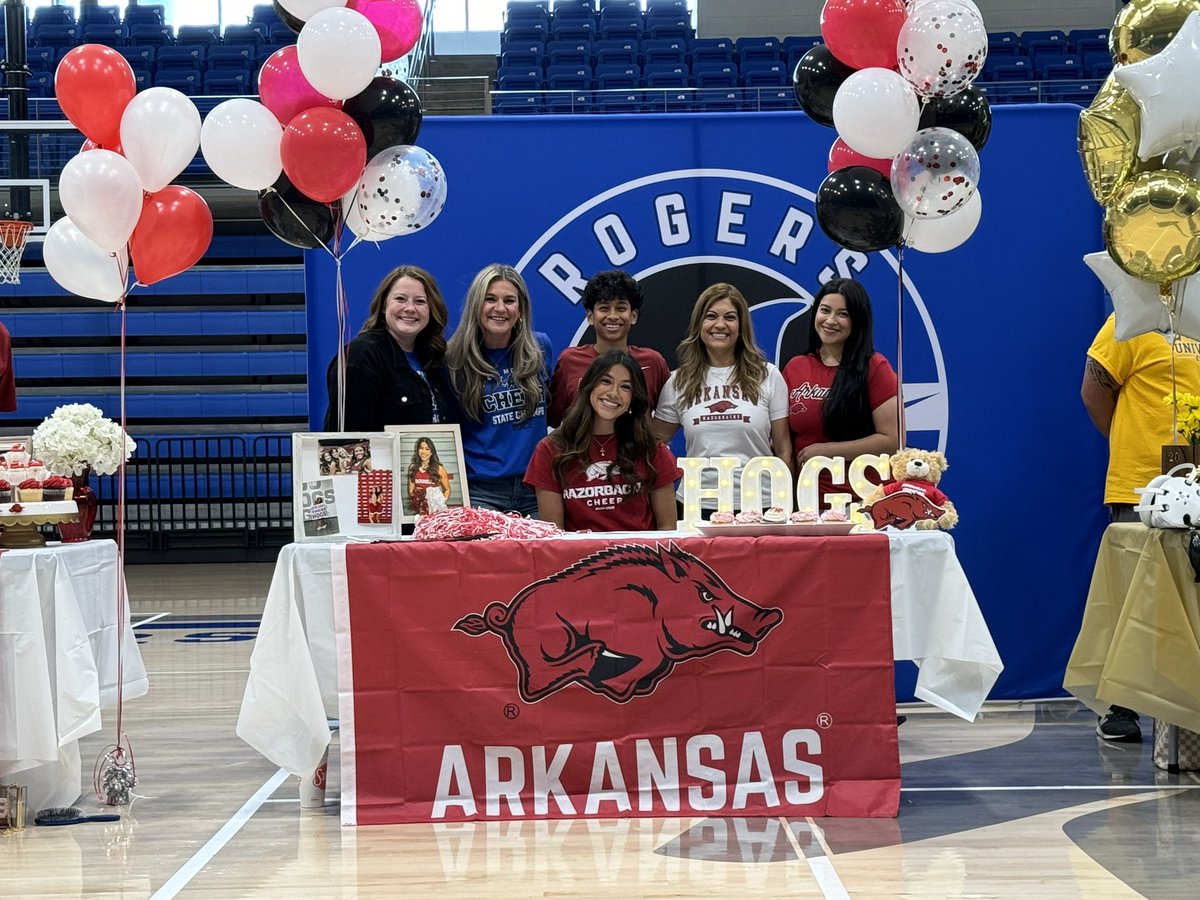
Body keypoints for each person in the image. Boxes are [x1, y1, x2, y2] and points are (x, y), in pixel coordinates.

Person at [1080, 312, 1200, 742]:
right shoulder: (1128, 320)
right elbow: (1094, 393)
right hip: (1141, 485)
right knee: (1133, 596)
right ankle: (1120, 703)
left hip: (1198, 481)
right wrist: (1129, 442)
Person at [652, 283, 793, 516]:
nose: (720, 324)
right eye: (711, 316)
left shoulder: (768, 375)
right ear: (699, 324)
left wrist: (785, 503)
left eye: (730, 317)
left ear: (741, 326)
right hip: (697, 504)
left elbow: (783, 448)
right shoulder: (678, 381)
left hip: (760, 503)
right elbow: (655, 442)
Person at [525, 350, 681, 531]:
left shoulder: (651, 448)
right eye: (606, 381)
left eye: (625, 387)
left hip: (640, 550)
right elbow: (553, 534)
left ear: (633, 398)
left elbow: (667, 528)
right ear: (588, 385)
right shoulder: (550, 449)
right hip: (578, 550)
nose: (613, 393)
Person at [782, 277, 899, 510]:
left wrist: (827, 451)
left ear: (858, 320)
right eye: (825, 310)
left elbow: (892, 441)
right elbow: (782, 437)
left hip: (863, 504)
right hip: (808, 504)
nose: (830, 320)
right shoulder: (795, 367)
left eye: (842, 314)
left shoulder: (875, 367)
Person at [446, 264, 552, 517]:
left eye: (509, 300)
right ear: (476, 305)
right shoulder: (453, 359)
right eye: (490, 299)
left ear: (521, 309)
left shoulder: (540, 348)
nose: (500, 308)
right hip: (481, 491)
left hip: (535, 488)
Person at [323, 265, 450, 432]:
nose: (410, 308)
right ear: (383, 306)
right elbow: (349, 439)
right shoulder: (360, 358)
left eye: (420, 301)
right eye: (400, 299)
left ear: (431, 309)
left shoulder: (436, 360)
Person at [547, 270, 670, 426]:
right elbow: (553, 418)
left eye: (621, 308)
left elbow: (671, 415)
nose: (612, 316)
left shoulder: (653, 362)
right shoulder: (569, 361)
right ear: (590, 317)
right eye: (604, 308)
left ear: (633, 316)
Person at [407, 436, 451, 516]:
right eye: (421, 448)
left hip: (436, 512)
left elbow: (447, 489)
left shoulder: (439, 468)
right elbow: (411, 491)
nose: (423, 452)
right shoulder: (413, 467)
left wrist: (440, 502)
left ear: (431, 452)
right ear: (417, 450)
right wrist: (418, 502)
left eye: (427, 449)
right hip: (421, 511)